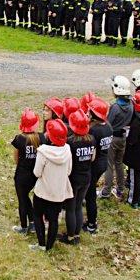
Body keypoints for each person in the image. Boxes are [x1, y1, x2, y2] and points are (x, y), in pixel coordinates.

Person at [30, 118, 72, 252]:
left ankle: (41, 244)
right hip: (58, 192)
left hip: (42, 192)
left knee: (37, 216)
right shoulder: (67, 150)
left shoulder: (43, 152)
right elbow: (69, 171)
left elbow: (37, 173)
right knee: (53, 220)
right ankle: (49, 247)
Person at [63, 110, 95, 245]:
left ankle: (70, 237)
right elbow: (93, 158)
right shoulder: (92, 139)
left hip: (73, 178)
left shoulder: (70, 142)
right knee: (78, 207)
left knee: (70, 207)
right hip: (86, 177)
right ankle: (76, 233)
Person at [11, 108, 44, 235]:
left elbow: (16, 157)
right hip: (35, 174)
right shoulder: (41, 137)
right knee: (27, 198)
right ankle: (33, 223)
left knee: (22, 199)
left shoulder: (19, 139)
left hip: (22, 175)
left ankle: (24, 227)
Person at [100, 76, 133, 200]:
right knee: (119, 163)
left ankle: (106, 190)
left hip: (113, 137)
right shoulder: (130, 105)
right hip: (123, 137)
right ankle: (120, 189)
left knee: (109, 165)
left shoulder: (115, 107)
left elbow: (108, 122)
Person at [85, 97, 112, 234]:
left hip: (94, 165)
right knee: (89, 191)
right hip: (103, 162)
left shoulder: (94, 131)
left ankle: (91, 224)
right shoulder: (108, 127)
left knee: (90, 196)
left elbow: (92, 153)